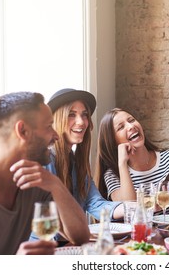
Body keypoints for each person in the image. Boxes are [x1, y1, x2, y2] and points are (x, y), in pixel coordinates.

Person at [0, 92, 90, 255]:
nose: (56, 135)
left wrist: (56, 185)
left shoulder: (36, 183)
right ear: (23, 131)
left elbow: (80, 237)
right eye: (49, 126)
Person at [94, 107, 169, 215]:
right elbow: (129, 209)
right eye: (121, 127)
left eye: (131, 120)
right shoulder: (113, 174)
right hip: (142, 231)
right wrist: (122, 164)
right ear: (113, 142)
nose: (131, 126)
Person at [45, 88, 123, 222]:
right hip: (46, 241)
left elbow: (96, 204)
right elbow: (43, 217)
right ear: (56, 119)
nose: (81, 122)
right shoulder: (45, 160)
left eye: (84, 114)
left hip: (70, 242)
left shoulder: (76, 162)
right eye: (71, 114)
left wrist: (137, 207)